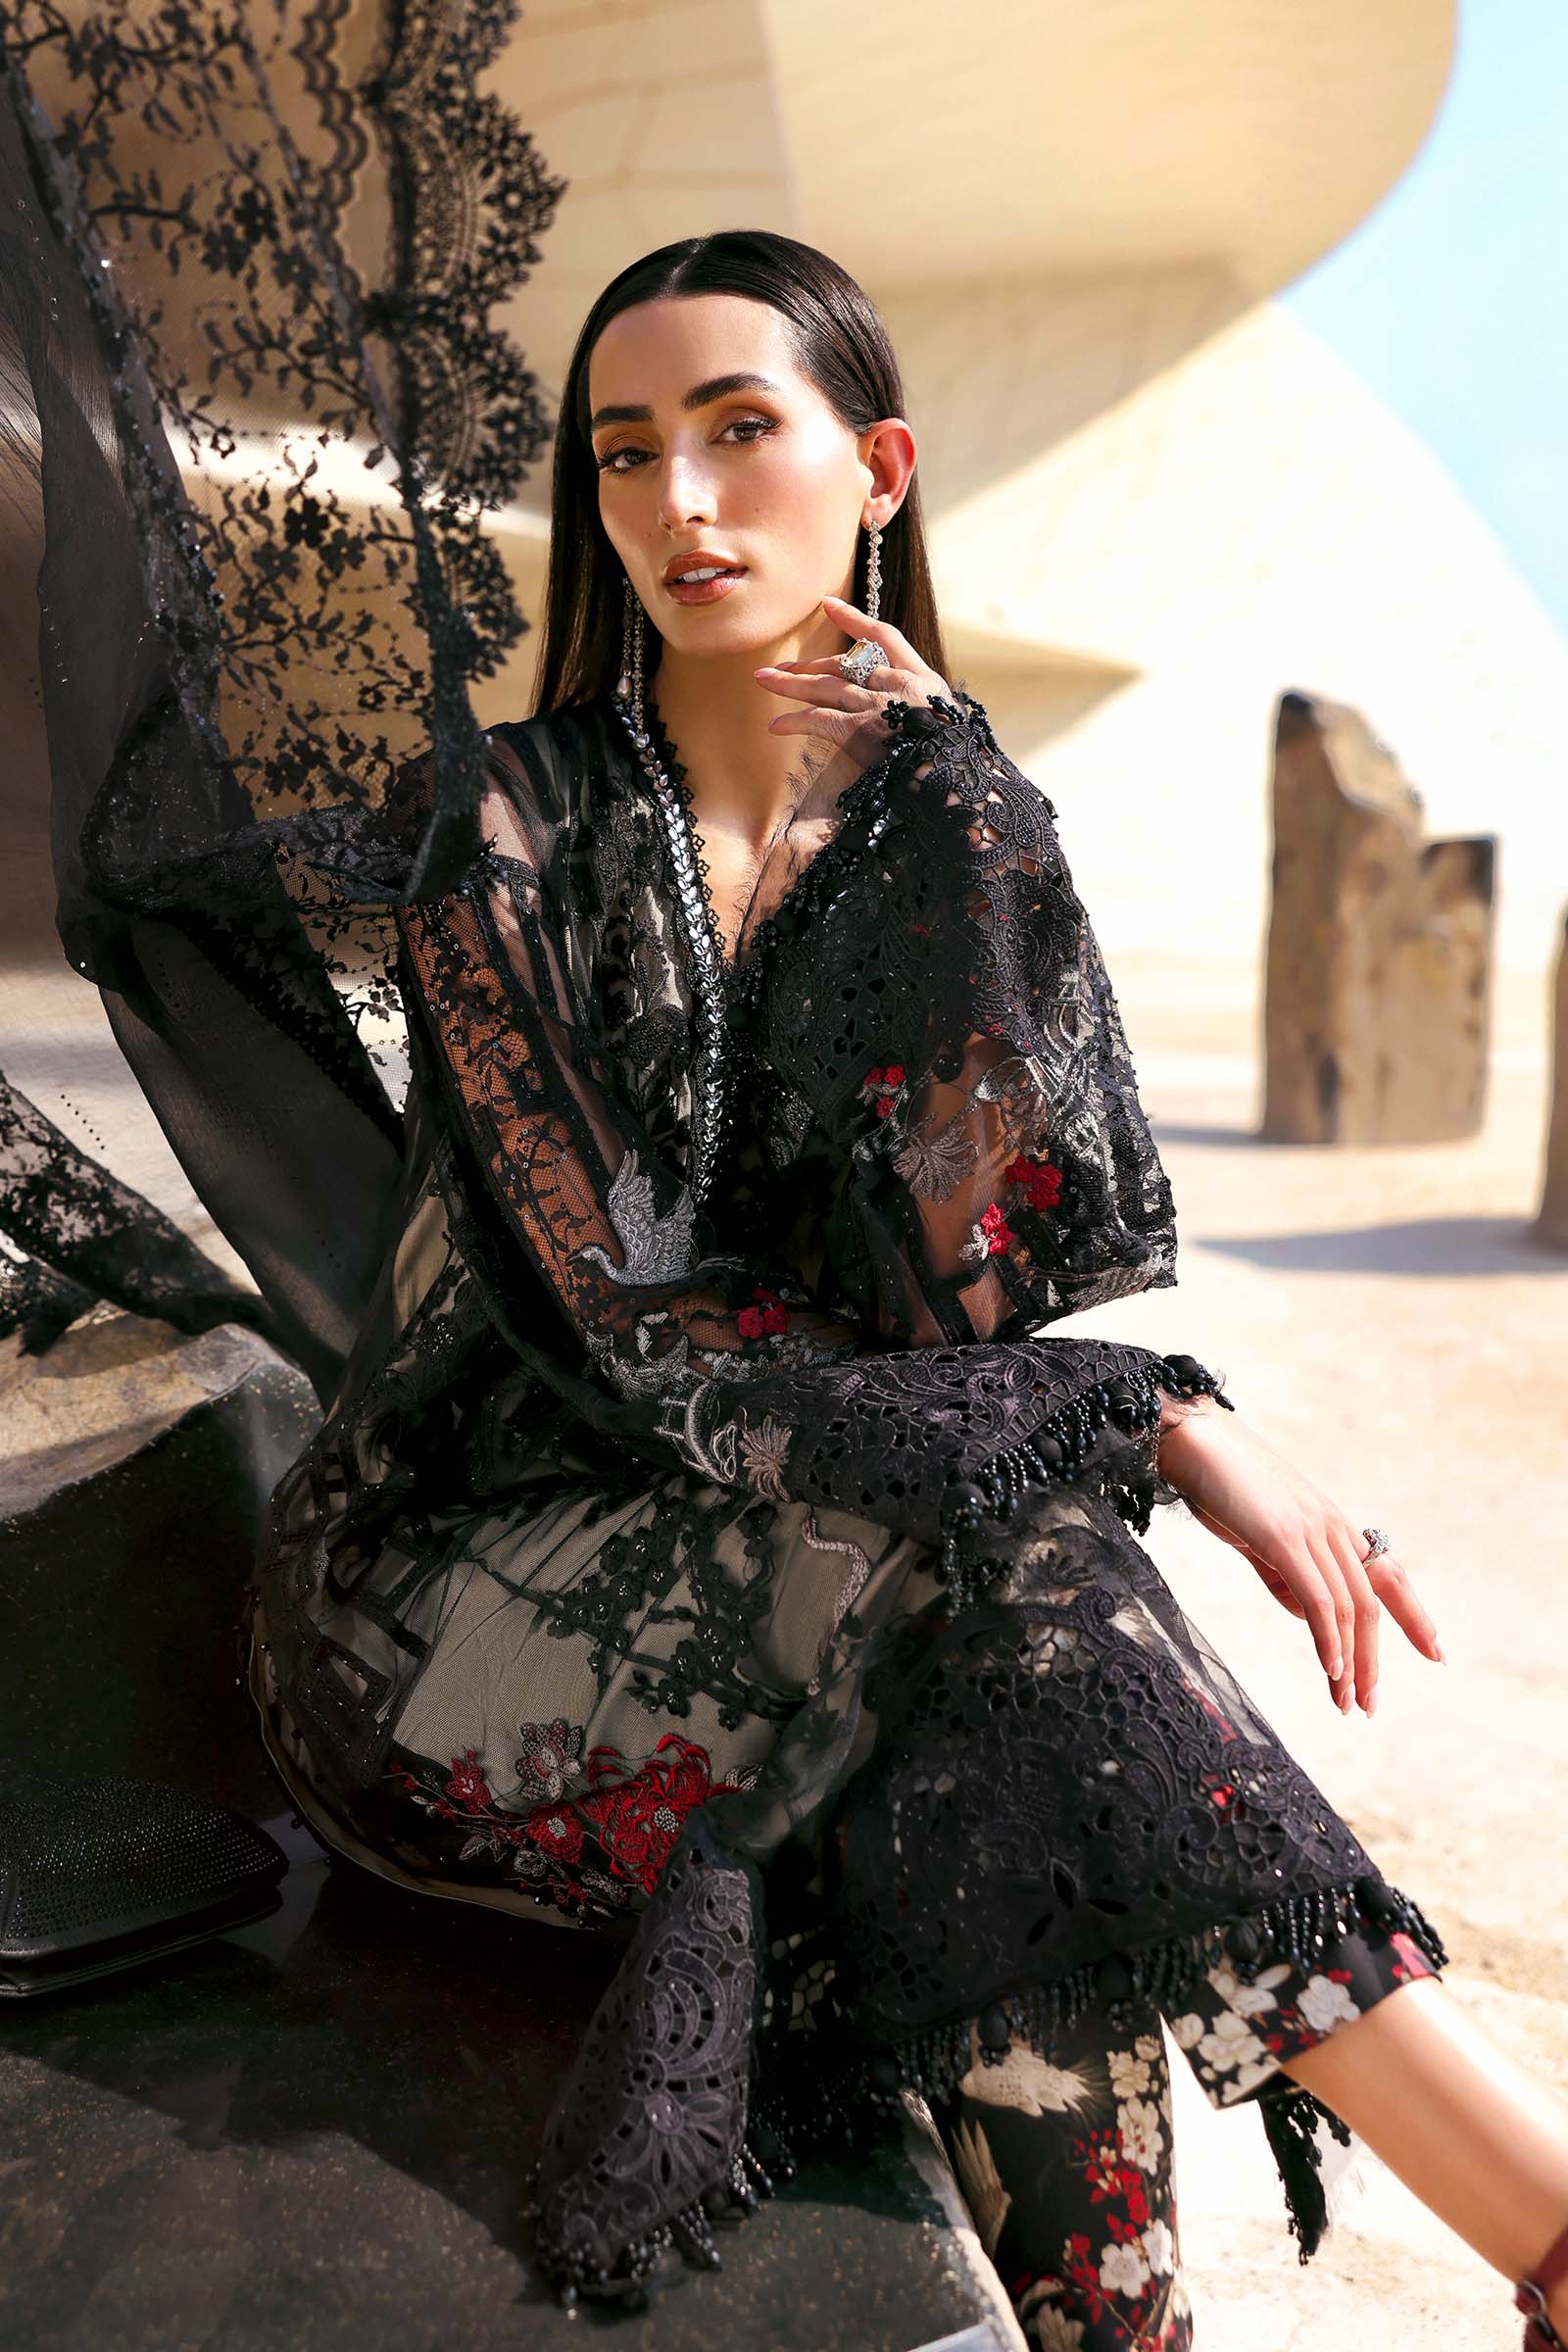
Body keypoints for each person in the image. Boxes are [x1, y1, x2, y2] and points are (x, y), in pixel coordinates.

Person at [232, 231, 1568, 2346]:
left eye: (735, 431)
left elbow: (962, 1299)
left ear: (879, 469)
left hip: (833, 1555)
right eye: (625, 452)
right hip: (449, 1587)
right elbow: (636, 1334)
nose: (678, 503)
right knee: (1013, 1591)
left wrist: (959, 823)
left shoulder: (944, 825)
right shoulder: (497, 828)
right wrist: (1158, 1419)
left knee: (999, 1706)